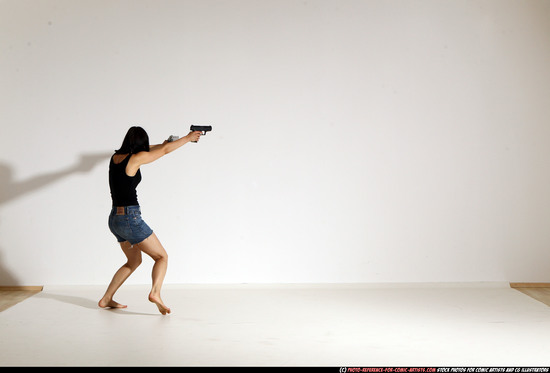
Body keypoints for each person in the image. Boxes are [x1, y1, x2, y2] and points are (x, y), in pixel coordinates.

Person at [98, 126, 201, 315]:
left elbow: (156, 148)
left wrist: (162, 144)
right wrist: (188, 138)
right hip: (130, 218)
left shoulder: (115, 158)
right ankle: (155, 293)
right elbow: (163, 152)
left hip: (115, 219)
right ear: (141, 145)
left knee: (133, 261)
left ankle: (106, 299)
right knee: (161, 257)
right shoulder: (135, 159)